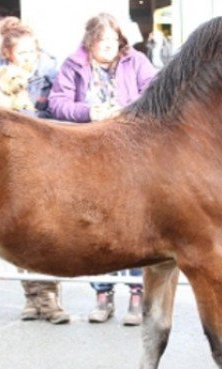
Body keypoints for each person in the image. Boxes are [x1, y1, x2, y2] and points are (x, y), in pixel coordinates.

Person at [48, 12, 156, 326]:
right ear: (90, 42)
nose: (108, 47)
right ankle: (103, 296)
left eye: (113, 41)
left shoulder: (137, 62)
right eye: (101, 41)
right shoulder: (73, 64)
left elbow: (157, 93)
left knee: (135, 227)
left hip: (132, 153)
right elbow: (58, 103)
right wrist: (89, 112)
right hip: (90, 155)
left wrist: (127, 110)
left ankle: (137, 298)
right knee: (100, 228)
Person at [0, 18, 71, 325]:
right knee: (19, 230)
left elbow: (57, 108)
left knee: (48, 229)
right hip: (11, 163)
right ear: (8, 54)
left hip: (45, 159)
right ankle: (31, 297)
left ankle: (52, 298)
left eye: (33, 50)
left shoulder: (51, 72)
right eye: (23, 52)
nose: (30, 56)